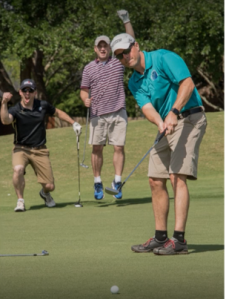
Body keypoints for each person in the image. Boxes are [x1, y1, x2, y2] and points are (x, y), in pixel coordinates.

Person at [110, 33, 207, 255]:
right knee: (155, 179)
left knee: (176, 175)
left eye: (126, 51)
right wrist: (160, 121)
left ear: (136, 46)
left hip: (190, 118)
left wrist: (174, 111)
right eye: (119, 56)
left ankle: (179, 240)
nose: (124, 58)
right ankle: (160, 237)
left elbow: (187, 83)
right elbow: (147, 108)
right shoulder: (134, 81)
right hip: (167, 125)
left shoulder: (164, 58)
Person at [1, 79, 82, 212]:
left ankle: (44, 193)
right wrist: (4, 103)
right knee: (18, 169)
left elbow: (58, 113)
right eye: (25, 91)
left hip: (40, 150)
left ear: (35, 93)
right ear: (20, 92)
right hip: (21, 148)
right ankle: (20, 201)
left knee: (50, 186)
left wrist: (73, 123)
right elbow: (5, 120)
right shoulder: (16, 109)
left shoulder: (42, 105)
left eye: (30, 91)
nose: (27, 94)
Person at [80, 10, 135, 200]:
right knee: (97, 149)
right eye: (100, 46)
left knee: (119, 147)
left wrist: (126, 20)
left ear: (109, 48)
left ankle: (117, 182)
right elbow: (83, 90)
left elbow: (131, 42)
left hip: (118, 111)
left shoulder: (118, 63)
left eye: (105, 46)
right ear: (95, 49)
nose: (103, 49)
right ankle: (97, 183)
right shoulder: (88, 68)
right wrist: (84, 99)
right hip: (97, 114)